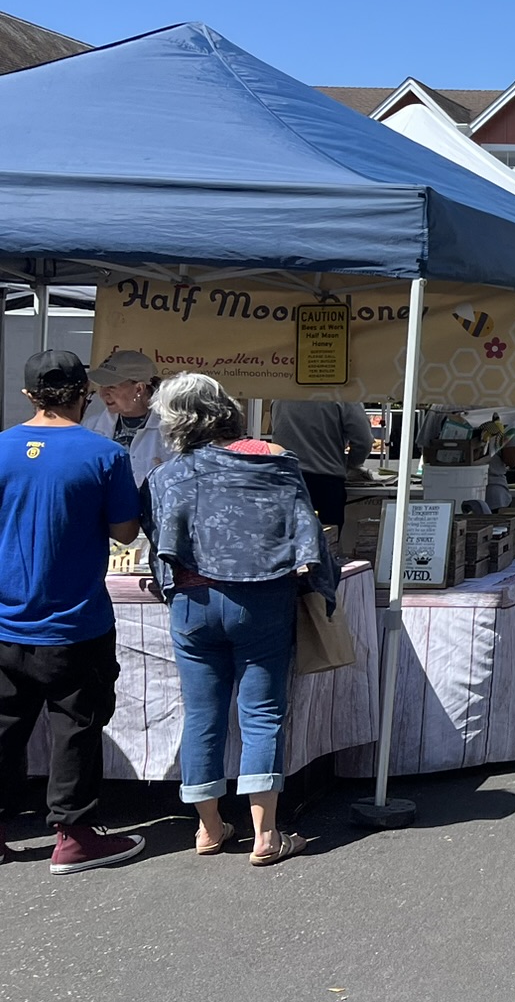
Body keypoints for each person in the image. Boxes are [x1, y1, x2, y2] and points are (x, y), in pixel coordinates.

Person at [147, 373, 333, 866]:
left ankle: (209, 829)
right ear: (224, 407)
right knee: (262, 713)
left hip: (192, 605)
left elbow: (158, 541)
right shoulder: (272, 459)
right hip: (261, 601)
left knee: (203, 715)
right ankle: (266, 835)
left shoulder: (168, 474)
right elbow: (307, 531)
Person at [0, 350, 146, 874]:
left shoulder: (1, 448)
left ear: (28, 396)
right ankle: (74, 834)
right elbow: (125, 532)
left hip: (6, 618)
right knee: (76, 726)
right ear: (84, 392)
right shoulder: (103, 454)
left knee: (4, 726)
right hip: (75, 619)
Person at [268, 398, 374, 526]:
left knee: (285, 540)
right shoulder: (343, 395)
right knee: (326, 540)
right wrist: (351, 465)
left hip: (284, 481)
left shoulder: (280, 395)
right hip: (325, 484)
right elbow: (364, 441)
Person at [82, 348, 169, 490]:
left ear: (139, 389)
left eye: (112, 387)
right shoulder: (91, 426)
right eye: (102, 386)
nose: (103, 394)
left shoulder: (170, 428)